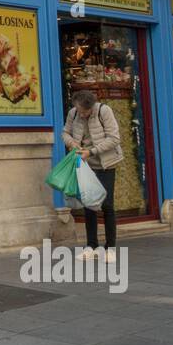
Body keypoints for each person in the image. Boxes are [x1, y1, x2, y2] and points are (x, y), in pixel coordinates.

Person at [62, 89, 122, 263]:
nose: (80, 114)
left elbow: (114, 138)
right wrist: (71, 142)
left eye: (84, 112)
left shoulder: (104, 110)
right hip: (85, 165)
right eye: (78, 110)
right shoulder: (73, 113)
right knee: (89, 205)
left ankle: (110, 248)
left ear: (91, 107)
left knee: (107, 205)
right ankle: (91, 246)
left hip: (105, 163)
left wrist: (92, 151)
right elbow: (65, 132)